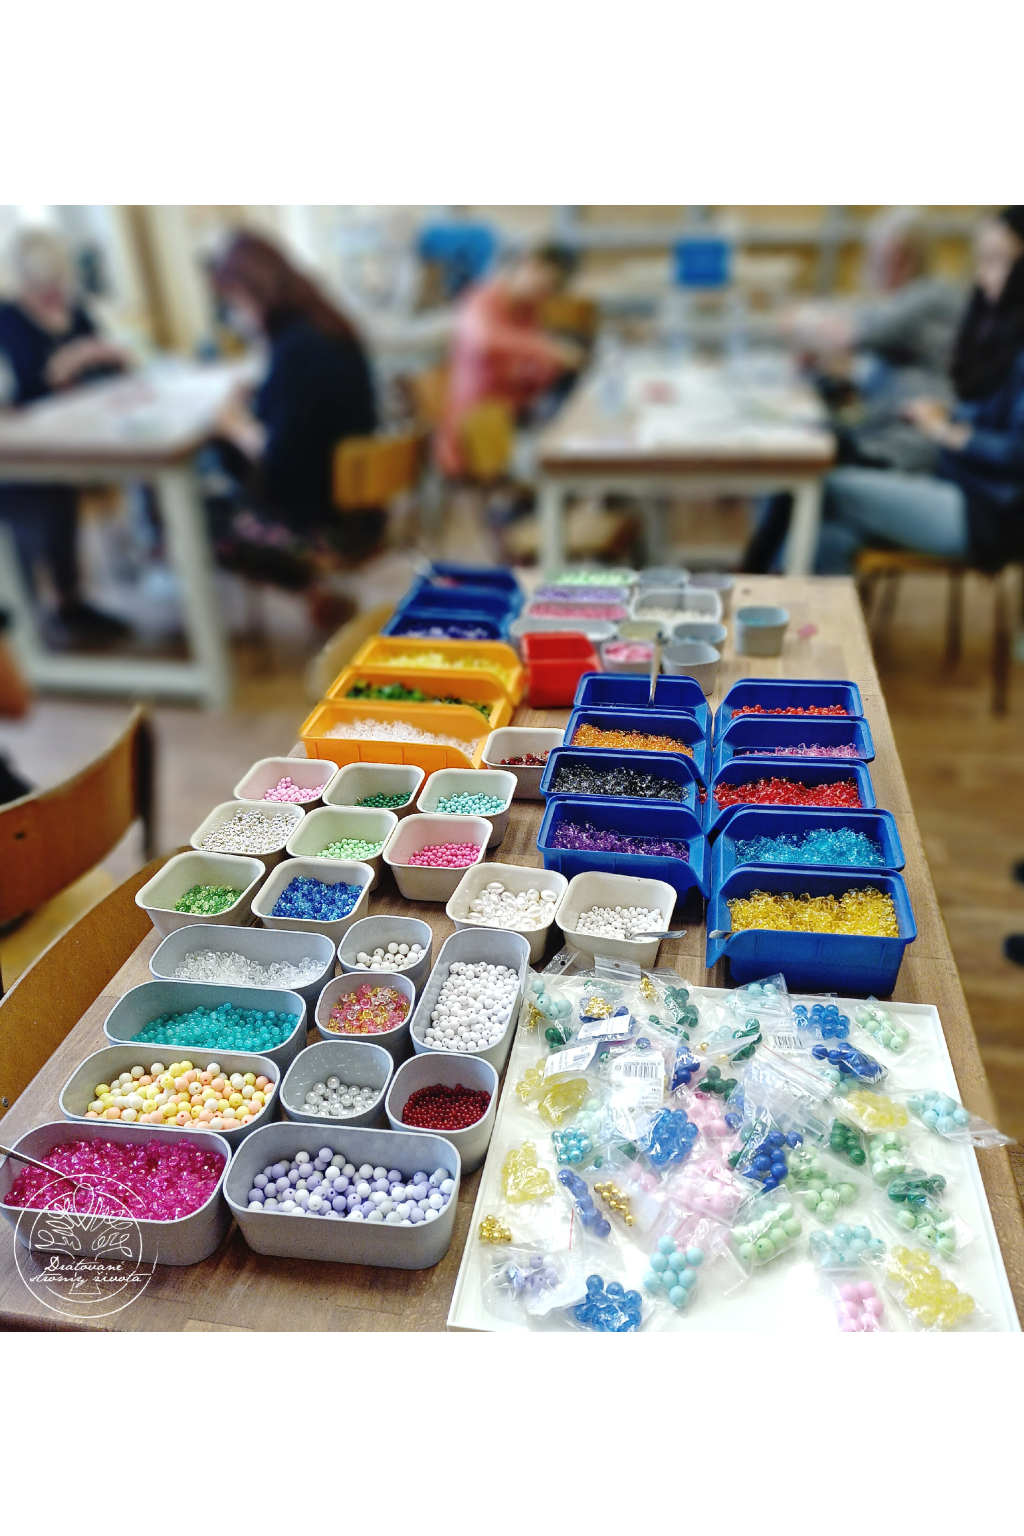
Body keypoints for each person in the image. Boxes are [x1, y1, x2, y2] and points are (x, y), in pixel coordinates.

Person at [814, 208, 1024, 576]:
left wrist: (944, 430)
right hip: (959, 487)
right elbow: (989, 417)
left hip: (990, 514)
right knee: (832, 534)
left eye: (996, 261)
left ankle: (756, 581)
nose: (981, 275)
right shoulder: (1000, 334)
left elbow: (1016, 453)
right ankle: (799, 608)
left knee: (823, 488)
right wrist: (945, 413)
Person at [207, 231, 380, 589]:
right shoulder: (331, 327)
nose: (234, 316)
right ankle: (317, 596)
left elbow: (280, 461)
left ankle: (311, 590)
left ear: (250, 292)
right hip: (363, 514)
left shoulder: (293, 350)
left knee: (201, 519)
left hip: (321, 527)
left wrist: (233, 426)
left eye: (233, 303)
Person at [0, 228, 132, 645]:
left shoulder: (77, 312)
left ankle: (70, 602)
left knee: (62, 499)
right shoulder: (7, 320)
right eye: (43, 286)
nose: (53, 294)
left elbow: (109, 371)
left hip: (79, 437)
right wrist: (58, 371)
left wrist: (107, 358)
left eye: (58, 282)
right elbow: (17, 393)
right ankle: (29, 622)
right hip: (23, 453)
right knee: (38, 507)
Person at [436, 245, 583, 478]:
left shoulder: (526, 312)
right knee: (563, 461)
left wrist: (551, 368)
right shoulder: (480, 300)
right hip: (476, 431)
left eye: (550, 290)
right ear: (529, 263)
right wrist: (548, 349)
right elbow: (486, 340)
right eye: (543, 284)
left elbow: (531, 371)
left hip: (512, 421)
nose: (542, 294)